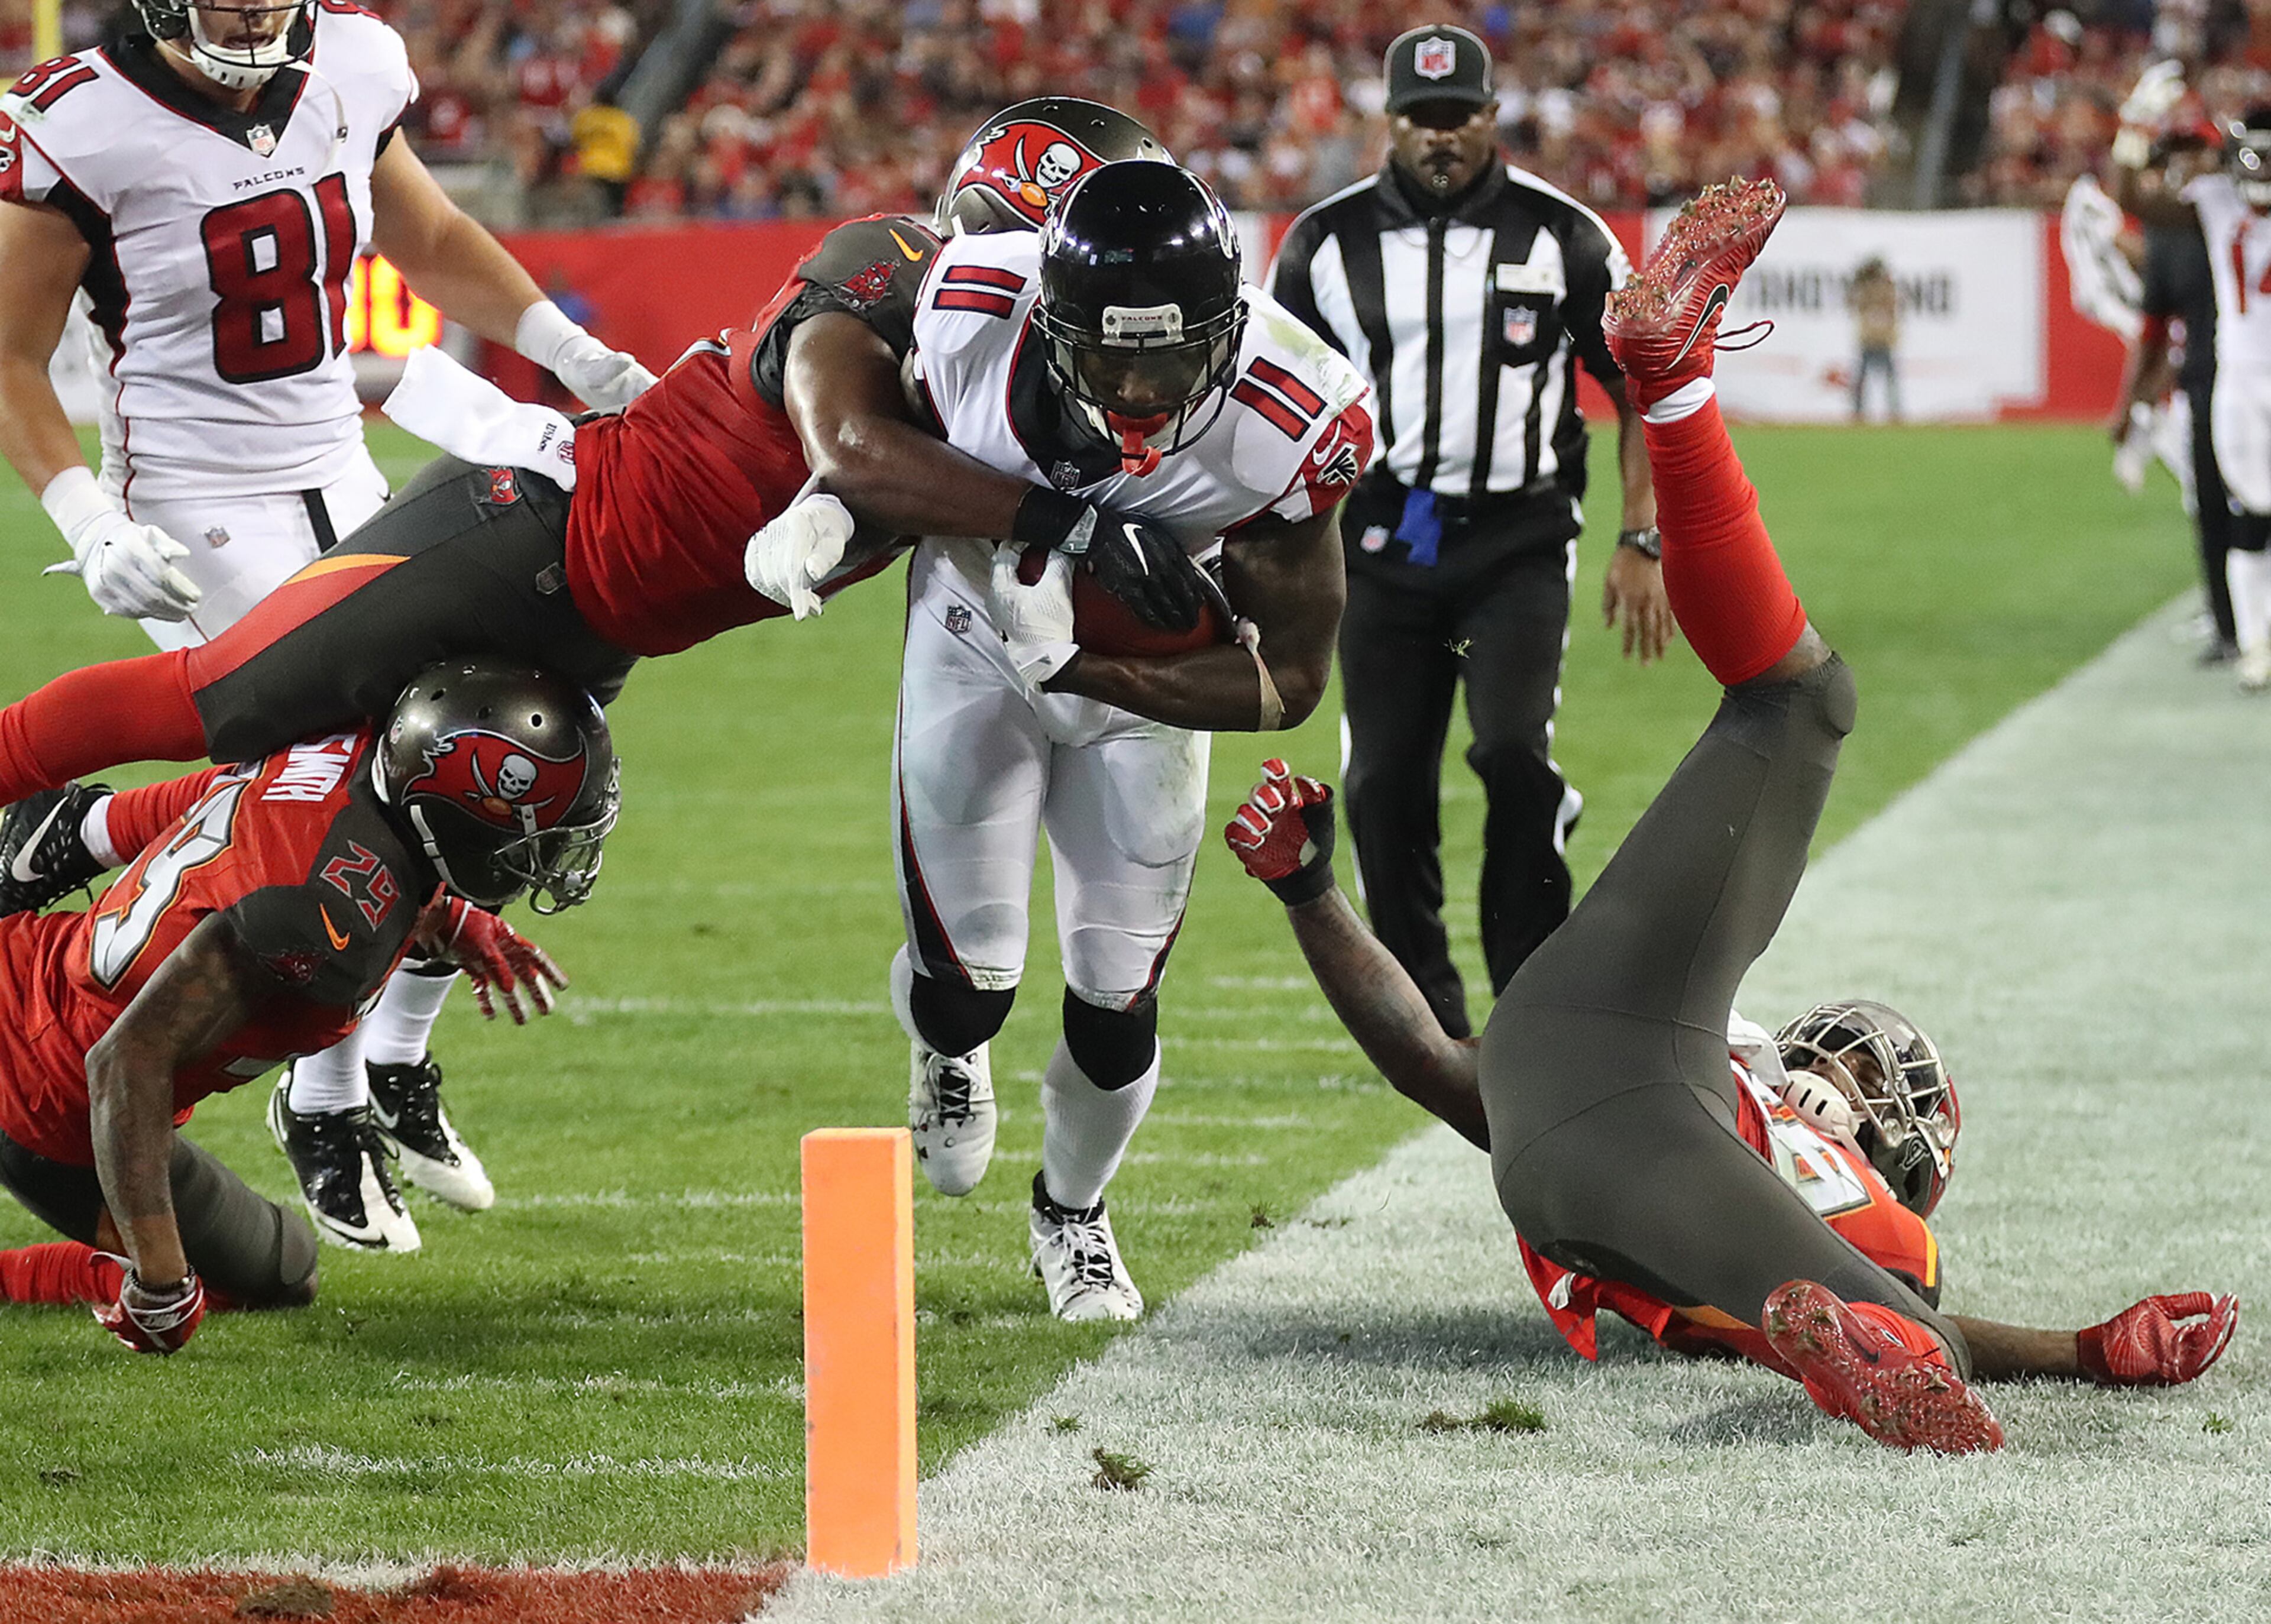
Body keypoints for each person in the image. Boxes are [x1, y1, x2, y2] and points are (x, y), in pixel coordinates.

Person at [1224, 178, 2236, 1451]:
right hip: (1604, 1043)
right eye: (1864, 1061)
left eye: (1875, 1082)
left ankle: (1674, 376)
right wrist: (2087, 1355)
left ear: (1898, 1148)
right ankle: (1675, 377)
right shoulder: (1823, 1153)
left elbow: (1445, 1078)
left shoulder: (1876, 1217)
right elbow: (1445, 1068)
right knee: (1799, 700)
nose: (1854, 1076)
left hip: (1603, 1138)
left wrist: (1315, 896)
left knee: (1902, 1325)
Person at [0, 0, 654, 1249]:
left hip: (343, 465)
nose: (252, 9)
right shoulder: (75, 121)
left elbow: (435, 234)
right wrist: (85, 517)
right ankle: (325, 1089)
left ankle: (393, 1061)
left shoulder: (353, 58)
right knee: (376, 770)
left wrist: (573, 353)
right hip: (197, 499)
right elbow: (12, 355)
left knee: (503, 744)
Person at [877, 158, 1371, 1321]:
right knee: (969, 981)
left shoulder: (1294, 417)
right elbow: (871, 462)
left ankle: (1072, 1211)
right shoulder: (963, 314)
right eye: (1109, 354)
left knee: (1117, 994)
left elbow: (1289, 680)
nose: (1141, 386)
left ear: (1229, 330)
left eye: (1168, 353)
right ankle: (947, 1045)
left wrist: (1088, 665)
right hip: (974, 633)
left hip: (1147, 684)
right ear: (1050, 325)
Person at [0, 661, 608, 1354]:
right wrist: (161, 1280)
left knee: (286, 1266)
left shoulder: (352, 751)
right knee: (225, 1277)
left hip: (41, 985)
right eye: (539, 830)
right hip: (45, 1098)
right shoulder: (323, 916)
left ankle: (78, 828)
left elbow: (264, 816)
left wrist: (448, 916)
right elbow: (124, 1062)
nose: (550, 851)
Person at [1266, 24, 1671, 1043]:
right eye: (1422, 118)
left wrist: (1642, 540)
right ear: (1389, 122)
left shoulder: (1566, 235)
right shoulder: (1323, 244)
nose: (1441, 138)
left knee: (1510, 756)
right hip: (1380, 545)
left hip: (1516, 538)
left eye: (1460, 117)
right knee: (1385, 785)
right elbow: (1267, 402)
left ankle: (1531, 1001)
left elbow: (1638, 386)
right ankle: (1433, 1029)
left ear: (1494, 117)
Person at [2112, 69, 2271, 690]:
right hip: (2240, 380)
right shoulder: (2214, 199)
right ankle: (2257, 640)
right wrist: (2132, 129)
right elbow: (2131, 196)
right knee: (2251, 511)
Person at [1847, 257, 1901, 422]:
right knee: (1862, 380)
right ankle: (1858, 413)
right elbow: (1854, 303)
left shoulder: (1888, 289)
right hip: (1869, 339)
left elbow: (1892, 308)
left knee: (1890, 379)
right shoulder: (1864, 290)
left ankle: (1894, 413)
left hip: (1883, 339)